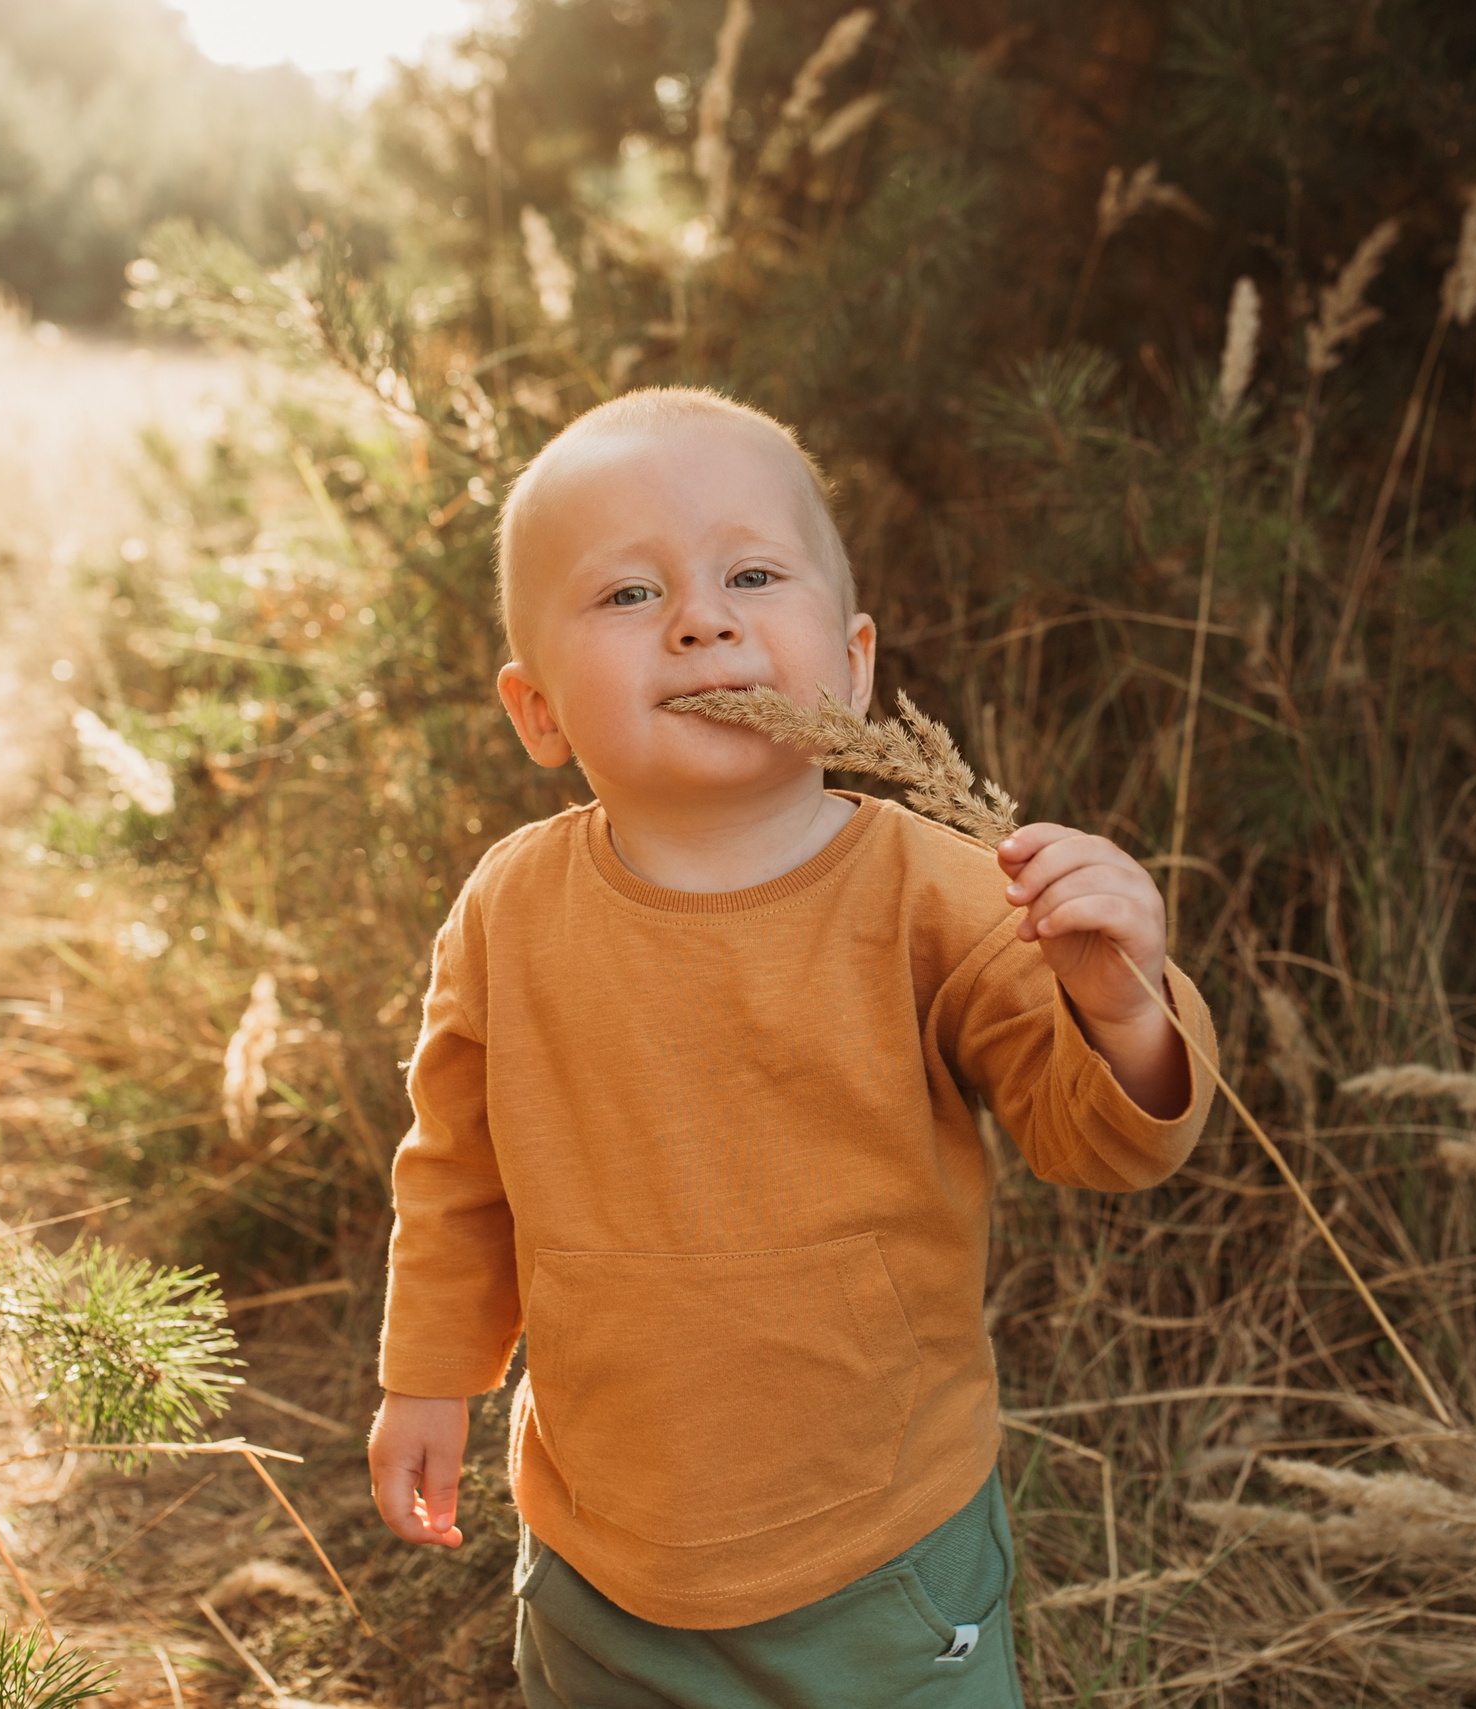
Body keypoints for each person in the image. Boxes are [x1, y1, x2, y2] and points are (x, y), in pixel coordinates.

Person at [366, 387, 1218, 1707]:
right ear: (538, 712)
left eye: (752, 574)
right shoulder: (512, 909)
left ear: (858, 662)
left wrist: (1123, 1008)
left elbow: (1096, 1138)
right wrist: (428, 1374)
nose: (703, 617)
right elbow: (458, 1169)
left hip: (880, 1552)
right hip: (604, 1558)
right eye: (629, 595)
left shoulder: (938, 894)